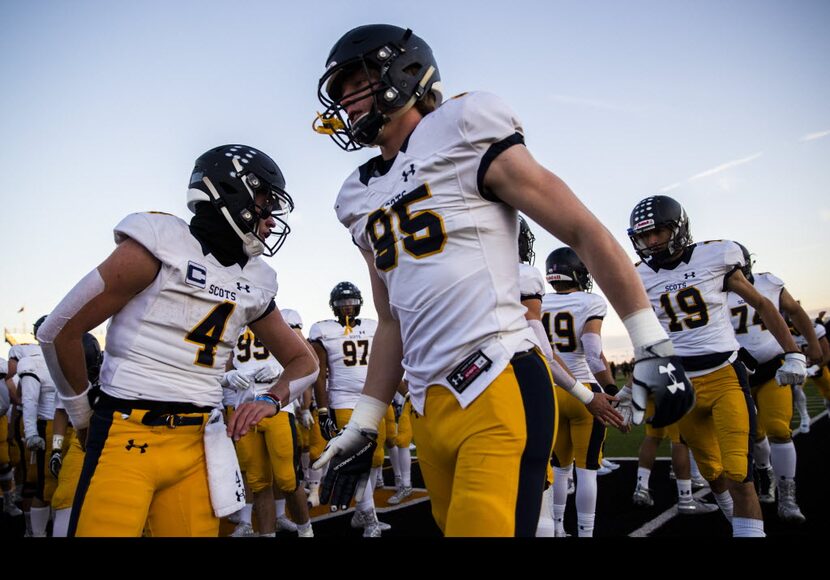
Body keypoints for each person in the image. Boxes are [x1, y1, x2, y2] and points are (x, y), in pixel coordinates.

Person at [312, 24, 690, 536]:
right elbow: (391, 320)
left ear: (399, 72)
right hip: (427, 401)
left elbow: (582, 229)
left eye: (354, 83)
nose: (346, 103)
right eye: (339, 93)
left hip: (497, 378)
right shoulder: (355, 196)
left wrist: (650, 343)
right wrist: (364, 423)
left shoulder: (462, 125)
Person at [36, 144, 318, 537]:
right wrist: (83, 418)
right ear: (231, 191)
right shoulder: (160, 242)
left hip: (199, 443)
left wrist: (271, 399)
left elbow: (304, 363)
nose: (271, 220)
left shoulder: (256, 278)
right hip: (125, 436)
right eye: (265, 203)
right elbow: (57, 331)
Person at [625, 195, 807, 537]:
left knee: (739, 473)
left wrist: (793, 351)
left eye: (658, 232)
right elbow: (645, 338)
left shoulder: (715, 255)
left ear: (677, 229)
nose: (651, 242)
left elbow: (763, 305)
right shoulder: (639, 276)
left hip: (724, 375)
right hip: (679, 385)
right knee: (712, 472)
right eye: (644, 236)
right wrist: (630, 387)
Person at [727, 243, 819, 523]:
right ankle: (766, 472)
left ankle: (788, 495)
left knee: (779, 428)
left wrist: (812, 343)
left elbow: (795, 311)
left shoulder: (768, 283)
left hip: (772, 366)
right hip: (738, 370)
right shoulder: (715, 291)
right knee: (754, 435)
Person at [308, 282, 391, 537]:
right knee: (360, 457)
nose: (347, 308)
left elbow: (386, 359)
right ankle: (370, 518)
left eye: (351, 302)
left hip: (373, 396)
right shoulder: (323, 330)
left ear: (360, 302)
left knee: (376, 458)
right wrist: (322, 409)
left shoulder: (372, 325)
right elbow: (320, 374)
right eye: (342, 303)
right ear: (334, 306)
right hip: (343, 400)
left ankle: (360, 512)